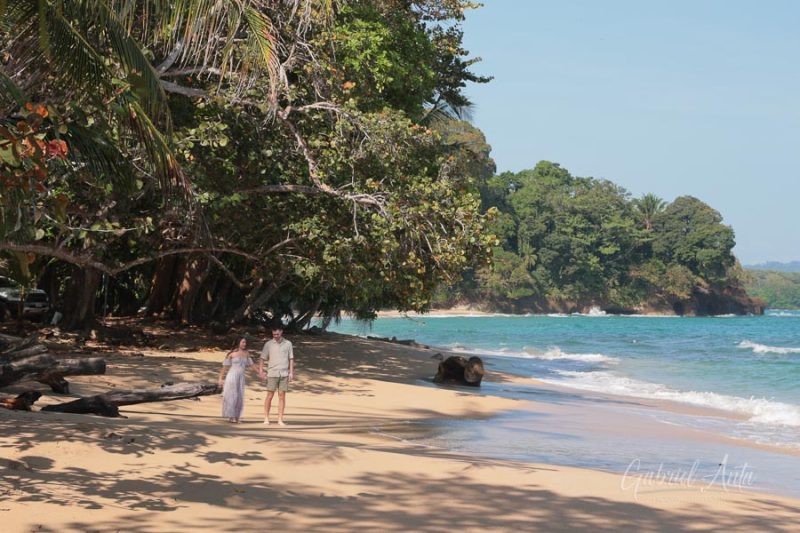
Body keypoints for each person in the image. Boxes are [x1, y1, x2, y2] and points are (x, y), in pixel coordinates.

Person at [259, 324, 294, 426]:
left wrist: (291, 372)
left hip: (284, 373)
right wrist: (261, 371)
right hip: (272, 373)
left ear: (281, 332)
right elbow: (262, 358)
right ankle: (266, 418)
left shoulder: (288, 344)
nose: (276, 336)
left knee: (282, 396)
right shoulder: (268, 344)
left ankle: (280, 419)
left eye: (277, 334)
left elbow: (291, 359)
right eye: (274, 334)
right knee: (269, 395)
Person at [218, 337, 259, 423]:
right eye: (243, 342)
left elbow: (252, 365)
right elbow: (224, 367)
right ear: (238, 343)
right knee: (232, 395)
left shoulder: (246, 353)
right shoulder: (232, 354)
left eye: (245, 342)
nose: (245, 344)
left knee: (240, 396)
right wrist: (220, 378)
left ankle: (238, 416)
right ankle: (231, 416)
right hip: (232, 376)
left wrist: (260, 373)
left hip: (241, 377)